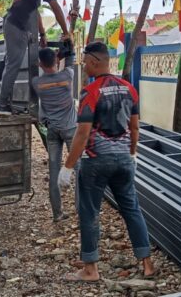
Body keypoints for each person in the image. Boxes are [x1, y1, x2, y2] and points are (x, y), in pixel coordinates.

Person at [58, 42, 155, 282]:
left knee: (89, 213)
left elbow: (82, 133)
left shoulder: (91, 92)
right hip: (123, 160)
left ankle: (90, 270)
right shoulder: (129, 89)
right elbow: (134, 127)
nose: (84, 67)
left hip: (96, 162)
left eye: (85, 62)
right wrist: (132, 154)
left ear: (93, 62)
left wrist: (67, 166)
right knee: (132, 209)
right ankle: (147, 264)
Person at [32, 47, 78, 222]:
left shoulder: (37, 83)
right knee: (79, 168)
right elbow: (71, 58)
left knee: (54, 171)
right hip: (70, 129)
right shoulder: (67, 76)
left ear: (40, 64)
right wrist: (67, 41)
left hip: (52, 130)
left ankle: (57, 213)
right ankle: (80, 210)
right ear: (56, 60)